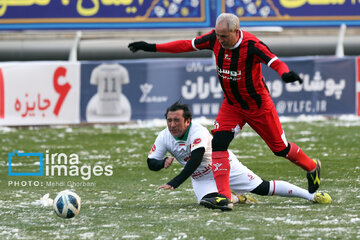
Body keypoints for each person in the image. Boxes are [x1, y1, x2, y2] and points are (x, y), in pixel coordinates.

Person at [130, 13, 321, 210]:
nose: (219, 40)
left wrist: (285, 73)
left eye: (223, 36)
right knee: (219, 143)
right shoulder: (214, 39)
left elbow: (274, 61)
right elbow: (186, 45)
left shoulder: (252, 45)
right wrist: (151, 47)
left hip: (258, 107)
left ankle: (312, 166)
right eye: (218, 35)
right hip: (232, 105)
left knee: (280, 149)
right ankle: (223, 196)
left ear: (236, 31)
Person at [147, 101, 331, 211]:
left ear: (188, 121)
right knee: (212, 203)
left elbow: (196, 159)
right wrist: (161, 162)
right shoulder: (164, 135)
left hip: (224, 166)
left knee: (262, 188)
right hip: (200, 178)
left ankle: (311, 196)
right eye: (169, 120)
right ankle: (237, 197)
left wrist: (175, 182)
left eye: (176, 120)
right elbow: (151, 162)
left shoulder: (197, 131)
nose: (172, 124)